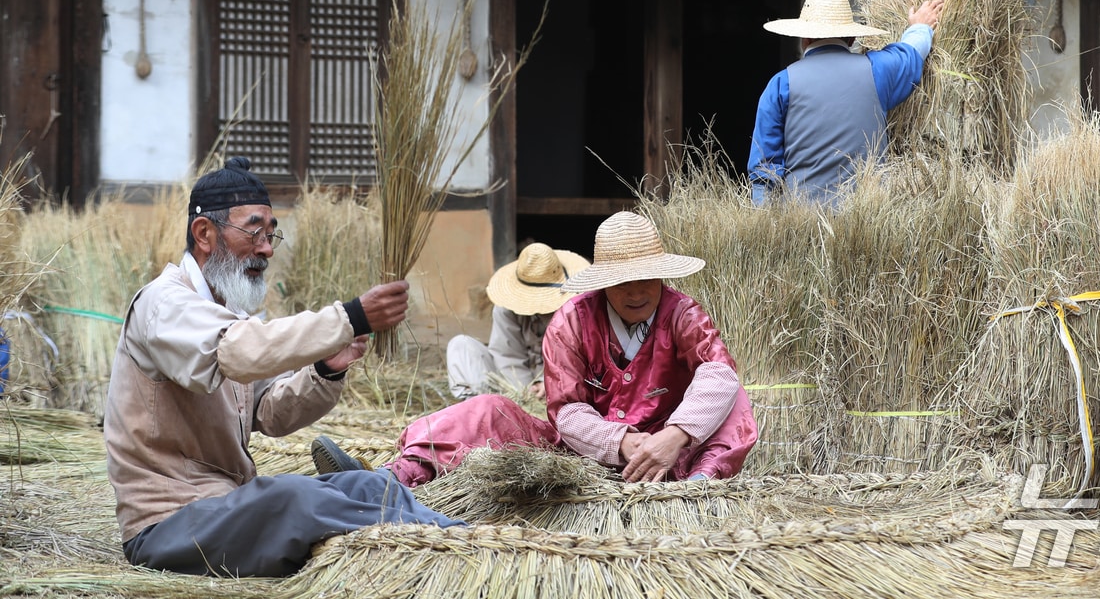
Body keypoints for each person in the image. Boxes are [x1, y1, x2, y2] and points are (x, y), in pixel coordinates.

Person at [103, 157, 461, 578]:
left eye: (272, 235)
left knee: (370, 484)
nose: (267, 249)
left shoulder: (229, 313)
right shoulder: (163, 305)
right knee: (290, 496)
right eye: (255, 232)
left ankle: (454, 539)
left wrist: (325, 370)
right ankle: (445, 545)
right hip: (169, 525)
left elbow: (269, 413)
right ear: (205, 234)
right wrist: (350, 317)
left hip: (227, 507)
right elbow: (238, 352)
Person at [312, 211, 757, 485]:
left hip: (673, 454)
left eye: (646, 278)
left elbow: (718, 372)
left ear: (662, 275)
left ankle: (697, 489)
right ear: (603, 283)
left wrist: (672, 439)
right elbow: (565, 414)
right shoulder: (573, 320)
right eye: (622, 281)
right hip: (587, 453)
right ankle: (391, 480)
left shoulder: (683, 313)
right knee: (486, 410)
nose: (636, 291)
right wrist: (621, 444)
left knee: (733, 399)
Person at [748, 0, 945, 205]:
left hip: (800, 228)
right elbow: (910, 53)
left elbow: (764, 173)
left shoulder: (780, 85)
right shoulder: (877, 70)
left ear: (803, 38)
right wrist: (920, 26)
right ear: (851, 39)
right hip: (867, 223)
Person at [444, 242, 588, 400]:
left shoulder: (575, 310)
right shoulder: (506, 308)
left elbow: (577, 359)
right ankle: (483, 411)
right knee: (461, 346)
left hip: (564, 386)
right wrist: (526, 391)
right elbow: (506, 355)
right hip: (513, 387)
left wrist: (547, 383)